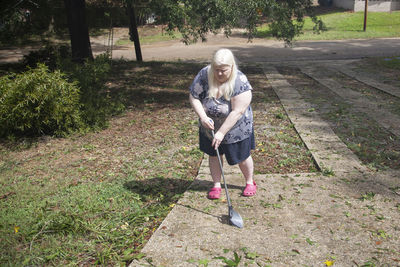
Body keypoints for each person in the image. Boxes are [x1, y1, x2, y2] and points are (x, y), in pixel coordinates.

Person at [189, 48, 256, 199]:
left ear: (231, 67)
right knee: (214, 155)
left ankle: (250, 182)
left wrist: (221, 133)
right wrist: (203, 117)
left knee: (242, 156)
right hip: (210, 127)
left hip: (236, 128)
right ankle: (216, 185)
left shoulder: (240, 81)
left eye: (223, 70)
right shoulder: (204, 74)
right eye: (216, 69)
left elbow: (237, 111)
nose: (219, 74)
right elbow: (194, 96)